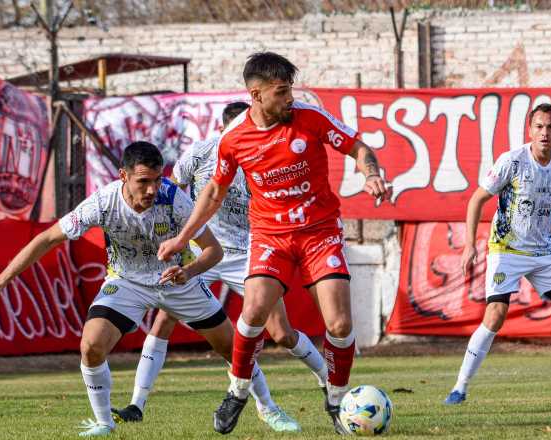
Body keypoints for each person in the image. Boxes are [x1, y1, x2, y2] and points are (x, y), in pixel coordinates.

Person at [0, 142, 283, 437]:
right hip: (127, 282)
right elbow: (47, 238)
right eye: (143, 181)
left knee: (233, 350)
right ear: (123, 176)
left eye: (157, 179)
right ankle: (104, 422)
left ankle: (268, 408)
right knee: (91, 346)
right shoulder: (103, 202)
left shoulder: (174, 199)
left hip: (177, 282)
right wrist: (0, 281)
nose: (151, 190)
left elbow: (213, 252)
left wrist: (187, 271)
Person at [157, 52, 390, 435]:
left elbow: (359, 148)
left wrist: (372, 174)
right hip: (269, 236)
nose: (289, 99)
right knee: (253, 314)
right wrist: (182, 237)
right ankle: (237, 392)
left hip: (319, 232)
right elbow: (213, 191)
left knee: (340, 322)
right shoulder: (233, 139)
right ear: (256, 94)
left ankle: (337, 398)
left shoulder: (309, 118)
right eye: (281, 92)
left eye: (290, 90)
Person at [112, 102, 323, 433]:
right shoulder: (201, 153)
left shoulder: (265, 154)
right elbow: (169, 189)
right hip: (204, 251)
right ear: (225, 130)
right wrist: (170, 235)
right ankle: (137, 404)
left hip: (249, 251)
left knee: (280, 332)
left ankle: (329, 383)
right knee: (165, 317)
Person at [444, 103, 551, 405]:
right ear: (529, 130)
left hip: (545, 249)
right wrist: (470, 244)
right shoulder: (513, 161)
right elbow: (476, 200)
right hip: (507, 248)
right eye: (539, 127)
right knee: (495, 316)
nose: (545, 133)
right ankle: (459, 388)